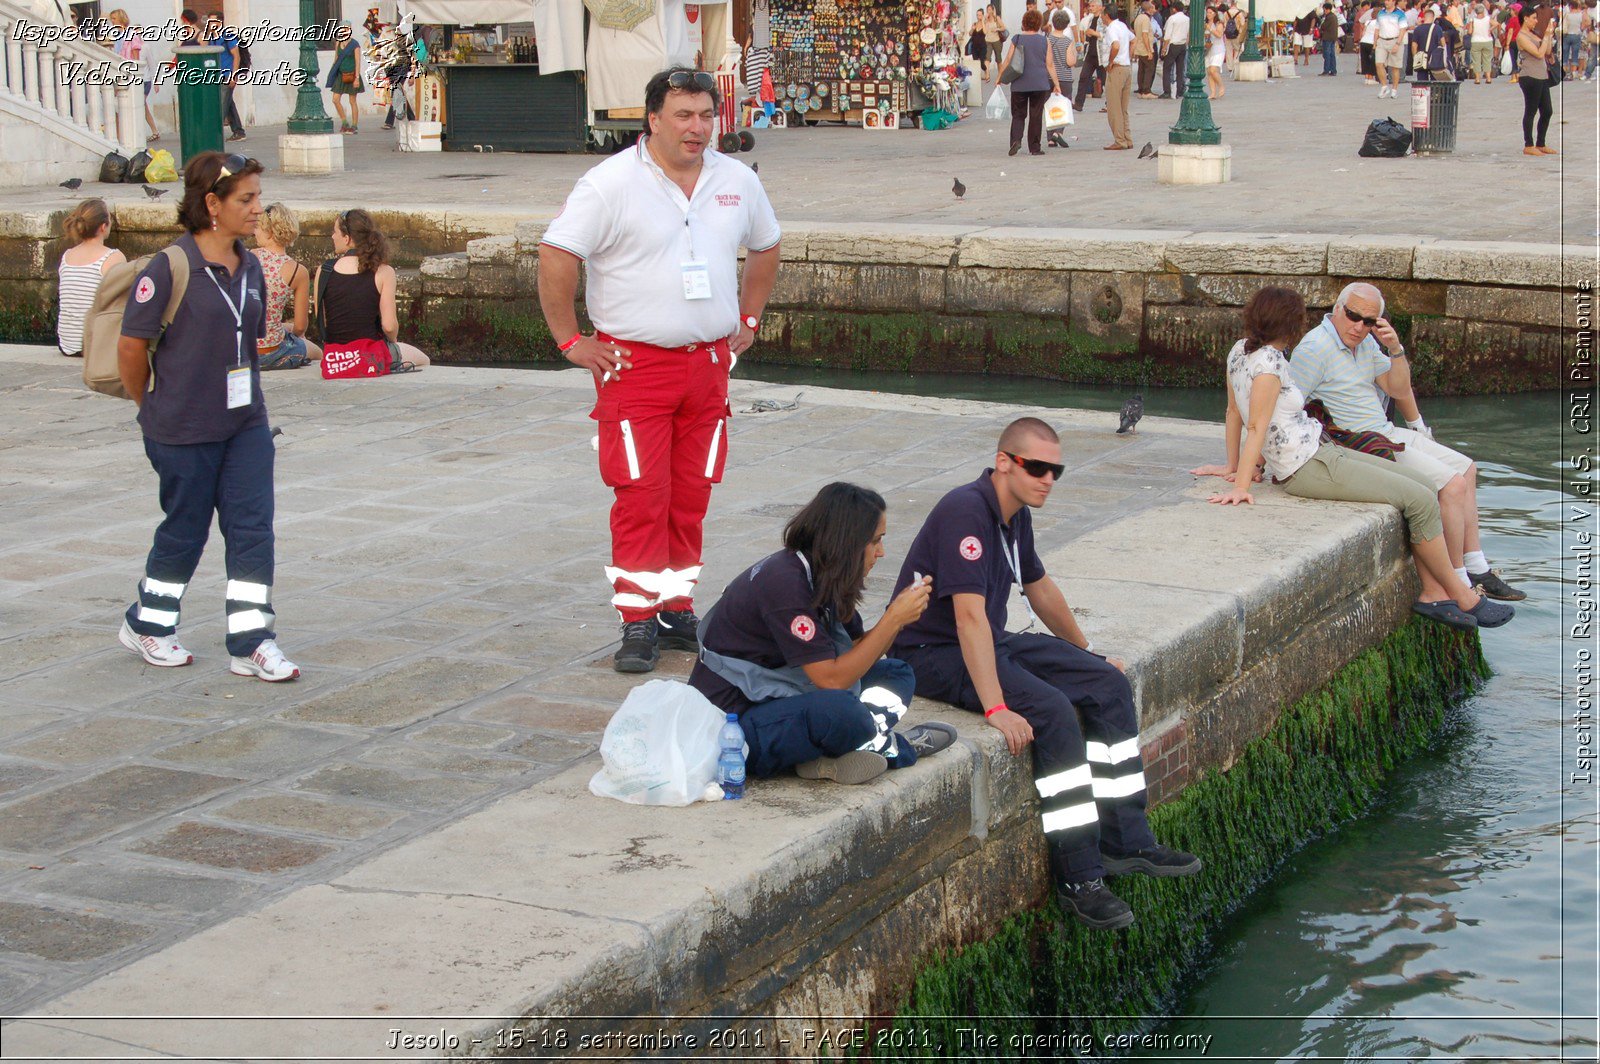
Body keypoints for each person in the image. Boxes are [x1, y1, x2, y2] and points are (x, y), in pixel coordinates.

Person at [890, 418, 1202, 931]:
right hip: (933, 652)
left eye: (1055, 470)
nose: (1047, 479)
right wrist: (995, 707)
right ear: (1004, 462)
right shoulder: (966, 510)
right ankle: (1081, 878)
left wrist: (1087, 653)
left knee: (1108, 686)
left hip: (990, 637)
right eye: (1037, 467)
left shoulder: (1016, 515)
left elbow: (1038, 587)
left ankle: (1128, 841)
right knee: (1053, 712)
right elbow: (967, 618)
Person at [538, 67, 781, 674]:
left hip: (707, 366)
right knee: (643, 495)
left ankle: (677, 607)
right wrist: (572, 340)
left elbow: (767, 244)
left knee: (691, 495)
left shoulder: (734, 180)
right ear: (652, 119)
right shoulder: (609, 183)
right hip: (634, 367)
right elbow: (556, 253)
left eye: (706, 114)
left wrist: (748, 318)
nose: (697, 127)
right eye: (683, 115)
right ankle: (638, 619)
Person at [1191, 288, 1512, 631]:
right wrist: (1242, 482)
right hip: (1307, 466)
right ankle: (1463, 595)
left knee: (1422, 486)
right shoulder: (1270, 364)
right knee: (1419, 498)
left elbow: (1232, 412)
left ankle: (1433, 593)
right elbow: (1255, 425)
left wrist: (1233, 464)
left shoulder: (1239, 351)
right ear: (1293, 324)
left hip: (1321, 449)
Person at [116, 151, 298, 682]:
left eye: (259, 197)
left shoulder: (251, 268)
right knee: (186, 531)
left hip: (245, 424)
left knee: (252, 531)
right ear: (212, 205)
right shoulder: (169, 267)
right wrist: (150, 408)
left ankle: (251, 641)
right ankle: (148, 623)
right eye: (247, 199)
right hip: (182, 429)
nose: (258, 209)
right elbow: (132, 349)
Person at [688, 483, 958, 785]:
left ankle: (839, 750)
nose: (881, 552)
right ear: (849, 543)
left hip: (783, 693)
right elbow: (831, 680)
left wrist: (897, 618)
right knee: (840, 710)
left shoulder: (824, 572)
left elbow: (859, 649)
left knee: (896, 673)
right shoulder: (785, 584)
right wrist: (893, 620)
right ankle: (892, 747)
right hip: (734, 725)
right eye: (876, 541)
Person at [1289, 282, 1527, 604]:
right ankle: (1458, 580)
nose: (1359, 327)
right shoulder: (1315, 348)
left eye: (1369, 321)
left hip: (1387, 431)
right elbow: (1287, 406)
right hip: (1363, 444)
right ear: (1337, 309)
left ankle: (1476, 566)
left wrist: (1395, 349)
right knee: (1452, 487)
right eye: (1353, 316)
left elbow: (1397, 389)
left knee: (1468, 469)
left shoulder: (1366, 344)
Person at [315, 208, 429, 371]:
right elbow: (389, 327)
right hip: (369, 357)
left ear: (347, 238)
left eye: (335, 232)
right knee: (424, 360)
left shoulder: (324, 270)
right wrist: (393, 343)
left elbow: (323, 321)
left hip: (334, 361)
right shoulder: (383, 271)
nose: (333, 236)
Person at [252, 203, 319, 370]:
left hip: (242, 349)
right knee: (318, 352)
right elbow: (301, 327)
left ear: (269, 231)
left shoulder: (249, 257)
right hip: (270, 353)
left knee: (284, 327)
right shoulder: (297, 271)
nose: (254, 232)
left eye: (257, 227)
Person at [56, 198, 125, 359]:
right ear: (103, 226)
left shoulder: (67, 256)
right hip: (96, 346)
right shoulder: (113, 257)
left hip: (67, 344)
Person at [1002, 9, 1053, 155]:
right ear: (1038, 24)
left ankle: (1016, 140)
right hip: (1039, 83)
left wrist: (1000, 78)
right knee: (1036, 115)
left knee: (1018, 114)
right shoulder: (1045, 40)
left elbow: (1008, 60)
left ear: (1024, 23)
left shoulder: (1017, 39)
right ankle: (1035, 147)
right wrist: (1056, 84)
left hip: (1019, 83)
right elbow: (1049, 64)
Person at [107, 9, 158, 142]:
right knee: (133, 105)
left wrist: (136, 74)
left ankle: (135, 134)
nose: (112, 22)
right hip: (123, 74)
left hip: (135, 77)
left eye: (114, 19)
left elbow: (136, 57)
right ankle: (123, 134)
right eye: (111, 19)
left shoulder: (131, 35)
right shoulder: (118, 36)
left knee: (136, 105)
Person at [1516, 4, 1557, 153]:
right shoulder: (1521, 36)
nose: (1536, 21)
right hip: (1530, 76)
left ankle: (1541, 143)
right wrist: (1545, 36)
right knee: (1531, 110)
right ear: (1525, 19)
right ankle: (1529, 144)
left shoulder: (1534, 34)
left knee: (1547, 110)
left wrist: (1549, 35)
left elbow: (1545, 51)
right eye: (1533, 18)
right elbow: (1538, 54)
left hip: (1542, 75)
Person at [202, 14, 245, 143]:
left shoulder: (228, 35)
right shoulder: (211, 36)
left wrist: (234, 75)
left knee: (221, 105)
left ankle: (213, 133)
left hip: (227, 76)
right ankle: (238, 131)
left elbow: (236, 56)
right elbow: (203, 48)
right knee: (229, 104)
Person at [1102, 5, 1136, 147]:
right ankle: (1127, 138)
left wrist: (1111, 61)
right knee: (1123, 107)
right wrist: (1129, 55)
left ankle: (1119, 140)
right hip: (1126, 67)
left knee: (1114, 107)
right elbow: (1134, 40)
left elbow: (1115, 45)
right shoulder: (1122, 25)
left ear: (1107, 15)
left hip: (1116, 68)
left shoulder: (1111, 29)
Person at [1046, 9, 1078, 145]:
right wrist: (1075, 54)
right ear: (1066, 25)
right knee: (1064, 105)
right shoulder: (1067, 41)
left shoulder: (1047, 39)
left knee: (1050, 106)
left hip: (1048, 77)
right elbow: (1070, 62)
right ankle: (1058, 132)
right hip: (1064, 77)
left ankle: (1050, 138)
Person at [326, 24, 364, 135]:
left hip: (352, 75)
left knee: (352, 101)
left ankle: (354, 125)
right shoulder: (338, 42)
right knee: (335, 99)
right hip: (340, 75)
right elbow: (336, 59)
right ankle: (344, 122)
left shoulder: (355, 45)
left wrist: (357, 78)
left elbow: (358, 62)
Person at [1075, 0, 1107, 108]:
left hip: (1101, 54)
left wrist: (1094, 33)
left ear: (1099, 7)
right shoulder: (1089, 19)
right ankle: (1079, 103)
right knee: (1083, 77)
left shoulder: (1103, 20)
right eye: (1090, 6)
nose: (1090, 8)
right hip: (1090, 53)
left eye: (1093, 6)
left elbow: (1107, 34)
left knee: (1105, 80)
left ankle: (1110, 104)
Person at [1372, 0, 1408, 91]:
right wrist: (1374, 43)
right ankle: (1384, 86)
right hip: (1382, 40)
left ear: (1393, 1)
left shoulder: (1400, 14)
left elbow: (1402, 30)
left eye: (1388, 0)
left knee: (1394, 67)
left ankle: (1394, 89)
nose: (1386, 2)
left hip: (1395, 40)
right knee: (1379, 64)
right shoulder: (1381, 13)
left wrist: (1397, 44)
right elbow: (1377, 29)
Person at [1161, 1, 1190, 95]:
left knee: (1167, 68)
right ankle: (1180, 90)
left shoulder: (1172, 18)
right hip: (1182, 45)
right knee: (1180, 69)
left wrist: (1164, 48)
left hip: (1173, 45)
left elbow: (1167, 35)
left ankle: (1167, 91)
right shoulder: (1187, 19)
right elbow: (1188, 33)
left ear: (1174, 9)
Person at [1133, 1, 1159, 94]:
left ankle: (1141, 88)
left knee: (1141, 68)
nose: (1154, 10)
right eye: (1152, 8)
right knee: (1150, 68)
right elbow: (1145, 35)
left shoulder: (1138, 18)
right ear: (1149, 9)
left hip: (1139, 47)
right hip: (1144, 48)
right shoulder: (1145, 19)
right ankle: (1146, 90)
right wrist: (1149, 50)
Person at [1468, 1, 1497, 77]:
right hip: (1487, 40)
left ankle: (1477, 78)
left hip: (1476, 41)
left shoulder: (1473, 20)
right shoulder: (1487, 19)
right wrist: (1490, 29)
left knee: (1476, 60)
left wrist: (1471, 25)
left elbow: (1470, 32)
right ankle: (1488, 77)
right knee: (1487, 60)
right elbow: (1497, 24)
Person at [1205, 6, 1228, 95]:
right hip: (1208, 49)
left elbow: (1219, 35)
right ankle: (1213, 92)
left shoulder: (1219, 24)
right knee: (1209, 72)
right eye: (1207, 13)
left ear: (1215, 14)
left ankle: (1221, 85)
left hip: (1218, 49)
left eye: (1210, 13)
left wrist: (1210, 29)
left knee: (1213, 70)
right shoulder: (1206, 24)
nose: (1208, 15)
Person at [986, 7, 1010, 78]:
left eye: (990, 10)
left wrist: (997, 29)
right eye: (988, 10)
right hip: (988, 40)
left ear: (993, 10)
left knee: (998, 58)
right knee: (987, 57)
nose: (988, 11)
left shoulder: (997, 18)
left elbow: (1003, 27)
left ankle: (1000, 74)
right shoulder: (986, 19)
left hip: (997, 40)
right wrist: (985, 20)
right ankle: (987, 74)